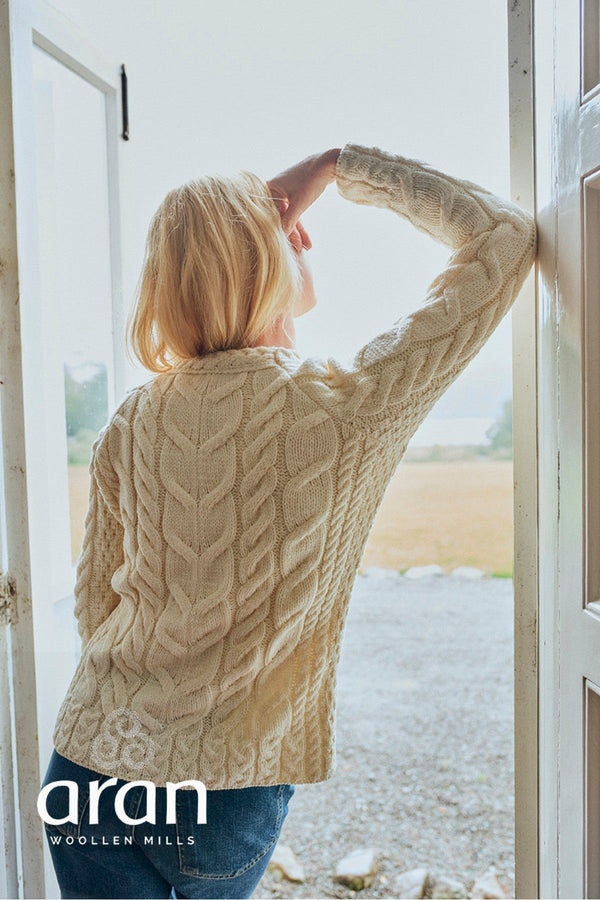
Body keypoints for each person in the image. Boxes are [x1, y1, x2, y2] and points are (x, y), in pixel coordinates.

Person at [39, 142, 537, 899]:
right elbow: (503, 238)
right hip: (223, 789)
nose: (301, 233)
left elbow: (96, 604)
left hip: (87, 761)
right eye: (285, 228)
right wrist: (338, 166)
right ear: (264, 265)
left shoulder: (133, 417)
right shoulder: (348, 407)